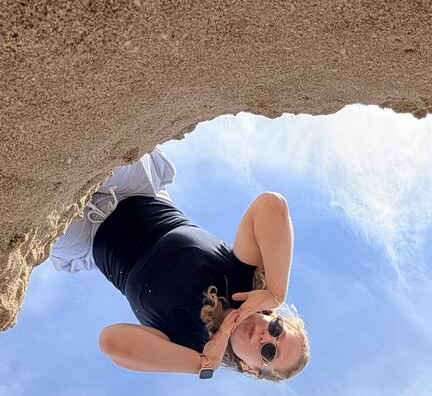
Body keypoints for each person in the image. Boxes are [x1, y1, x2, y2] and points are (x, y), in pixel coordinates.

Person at [49, 148, 309, 381]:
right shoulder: (246, 279)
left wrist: (201, 363)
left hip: (87, 236)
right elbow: (271, 205)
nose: (267, 337)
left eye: (269, 352)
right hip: (138, 192)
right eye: (277, 330)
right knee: (98, 144)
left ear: (250, 368)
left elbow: (110, 342)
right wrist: (275, 291)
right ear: (274, 317)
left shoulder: (188, 347)